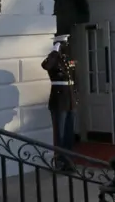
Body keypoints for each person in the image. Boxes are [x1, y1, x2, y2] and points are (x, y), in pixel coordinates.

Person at [42, 34, 77, 169]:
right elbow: (46, 66)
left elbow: (74, 78)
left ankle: (69, 160)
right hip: (59, 100)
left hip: (70, 99)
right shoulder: (53, 59)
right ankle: (60, 161)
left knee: (69, 132)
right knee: (60, 133)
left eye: (66, 44)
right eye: (63, 44)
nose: (66, 46)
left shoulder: (67, 59)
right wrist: (55, 51)